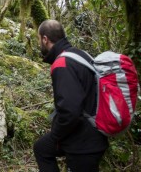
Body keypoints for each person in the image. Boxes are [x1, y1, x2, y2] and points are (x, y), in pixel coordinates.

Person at [33, 20, 108, 172]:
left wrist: (55, 135)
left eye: (38, 39)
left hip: (83, 143)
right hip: (94, 133)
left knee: (45, 146)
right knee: (42, 148)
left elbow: (70, 111)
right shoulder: (80, 55)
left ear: (45, 39)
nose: (39, 43)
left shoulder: (62, 63)